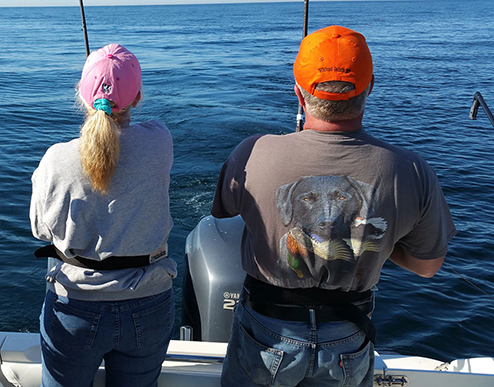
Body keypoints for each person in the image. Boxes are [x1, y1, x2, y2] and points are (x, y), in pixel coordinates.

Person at [211, 26, 455, 386]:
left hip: (265, 331)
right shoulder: (412, 169)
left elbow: (223, 211)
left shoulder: (252, 151)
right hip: (348, 337)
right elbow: (427, 266)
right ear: (370, 87)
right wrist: (369, 242)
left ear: (298, 93)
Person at [30, 44, 177, 387]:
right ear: (137, 97)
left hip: (75, 309)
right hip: (149, 303)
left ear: (82, 96)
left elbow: (40, 229)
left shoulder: (57, 159)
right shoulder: (160, 141)